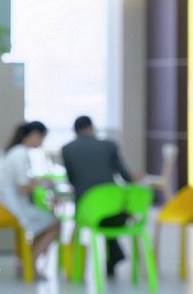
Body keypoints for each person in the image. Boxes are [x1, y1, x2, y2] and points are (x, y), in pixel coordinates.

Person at [61, 115, 144, 277]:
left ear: (75, 131)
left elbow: (72, 180)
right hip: (114, 210)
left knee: (98, 218)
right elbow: (126, 177)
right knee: (108, 218)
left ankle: (114, 257)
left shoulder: (67, 149)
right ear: (92, 128)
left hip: (86, 212)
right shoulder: (109, 145)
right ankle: (114, 257)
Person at [0, 121, 60, 279]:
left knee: (45, 222)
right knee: (55, 224)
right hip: (9, 207)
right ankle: (29, 263)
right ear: (35, 135)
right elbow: (24, 188)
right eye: (42, 138)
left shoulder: (8, 151)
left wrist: (36, 181)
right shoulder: (21, 153)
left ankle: (26, 261)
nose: (42, 142)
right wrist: (42, 182)